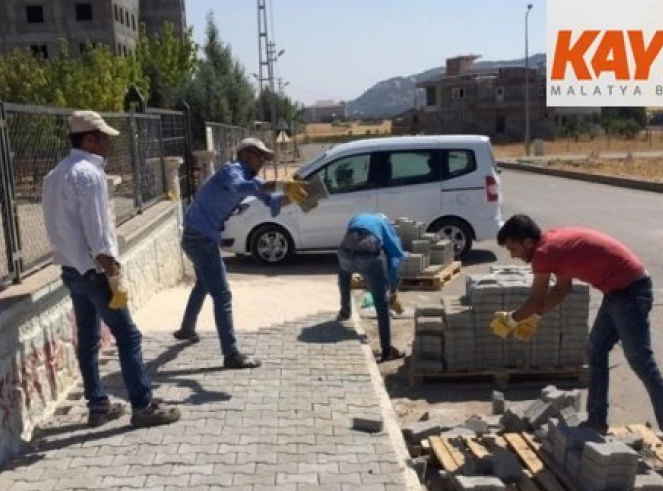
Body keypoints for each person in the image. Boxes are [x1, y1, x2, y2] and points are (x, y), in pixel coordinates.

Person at [493, 214, 663, 479]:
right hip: (618, 290)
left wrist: (512, 319)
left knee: (642, 363)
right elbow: (562, 290)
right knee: (595, 349)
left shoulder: (544, 252)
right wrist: (537, 317)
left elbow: (537, 297)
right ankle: (596, 421)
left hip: (631, 291)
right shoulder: (550, 245)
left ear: (527, 242)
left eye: (513, 248)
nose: (513, 255)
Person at [41, 110, 180, 429]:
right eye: (103, 137)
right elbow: (98, 231)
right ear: (89, 138)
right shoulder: (89, 175)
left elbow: (58, 228)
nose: (108, 143)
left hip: (71, 270)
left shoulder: (54, 175)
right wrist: (113, 275)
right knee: (128, 335)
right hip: (95, 271)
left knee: (88, 338)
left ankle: (98, 405)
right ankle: (143, 405)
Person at [173, 138, 308, 369]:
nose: (263, 161)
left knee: (204, 284)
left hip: (197, 235)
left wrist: (293, 197)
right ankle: (231, 354)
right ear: (245, 154)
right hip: (200, 238)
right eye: (260, 156)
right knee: (223, 295)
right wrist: (282, 184)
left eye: (265, 158)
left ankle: (187, 328)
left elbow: (270, 202)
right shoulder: (231, 171)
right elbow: (241, 188)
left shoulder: (251, 178)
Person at [336, 213, 406, 363]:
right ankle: (387, 350)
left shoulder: (358, 218)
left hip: (344, 253)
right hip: (367, 257)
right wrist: (392, 290)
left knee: (344, 276)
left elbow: (351, 238)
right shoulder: (385, 226)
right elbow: (394, 261)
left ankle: (344, 311)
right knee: (382, 304)